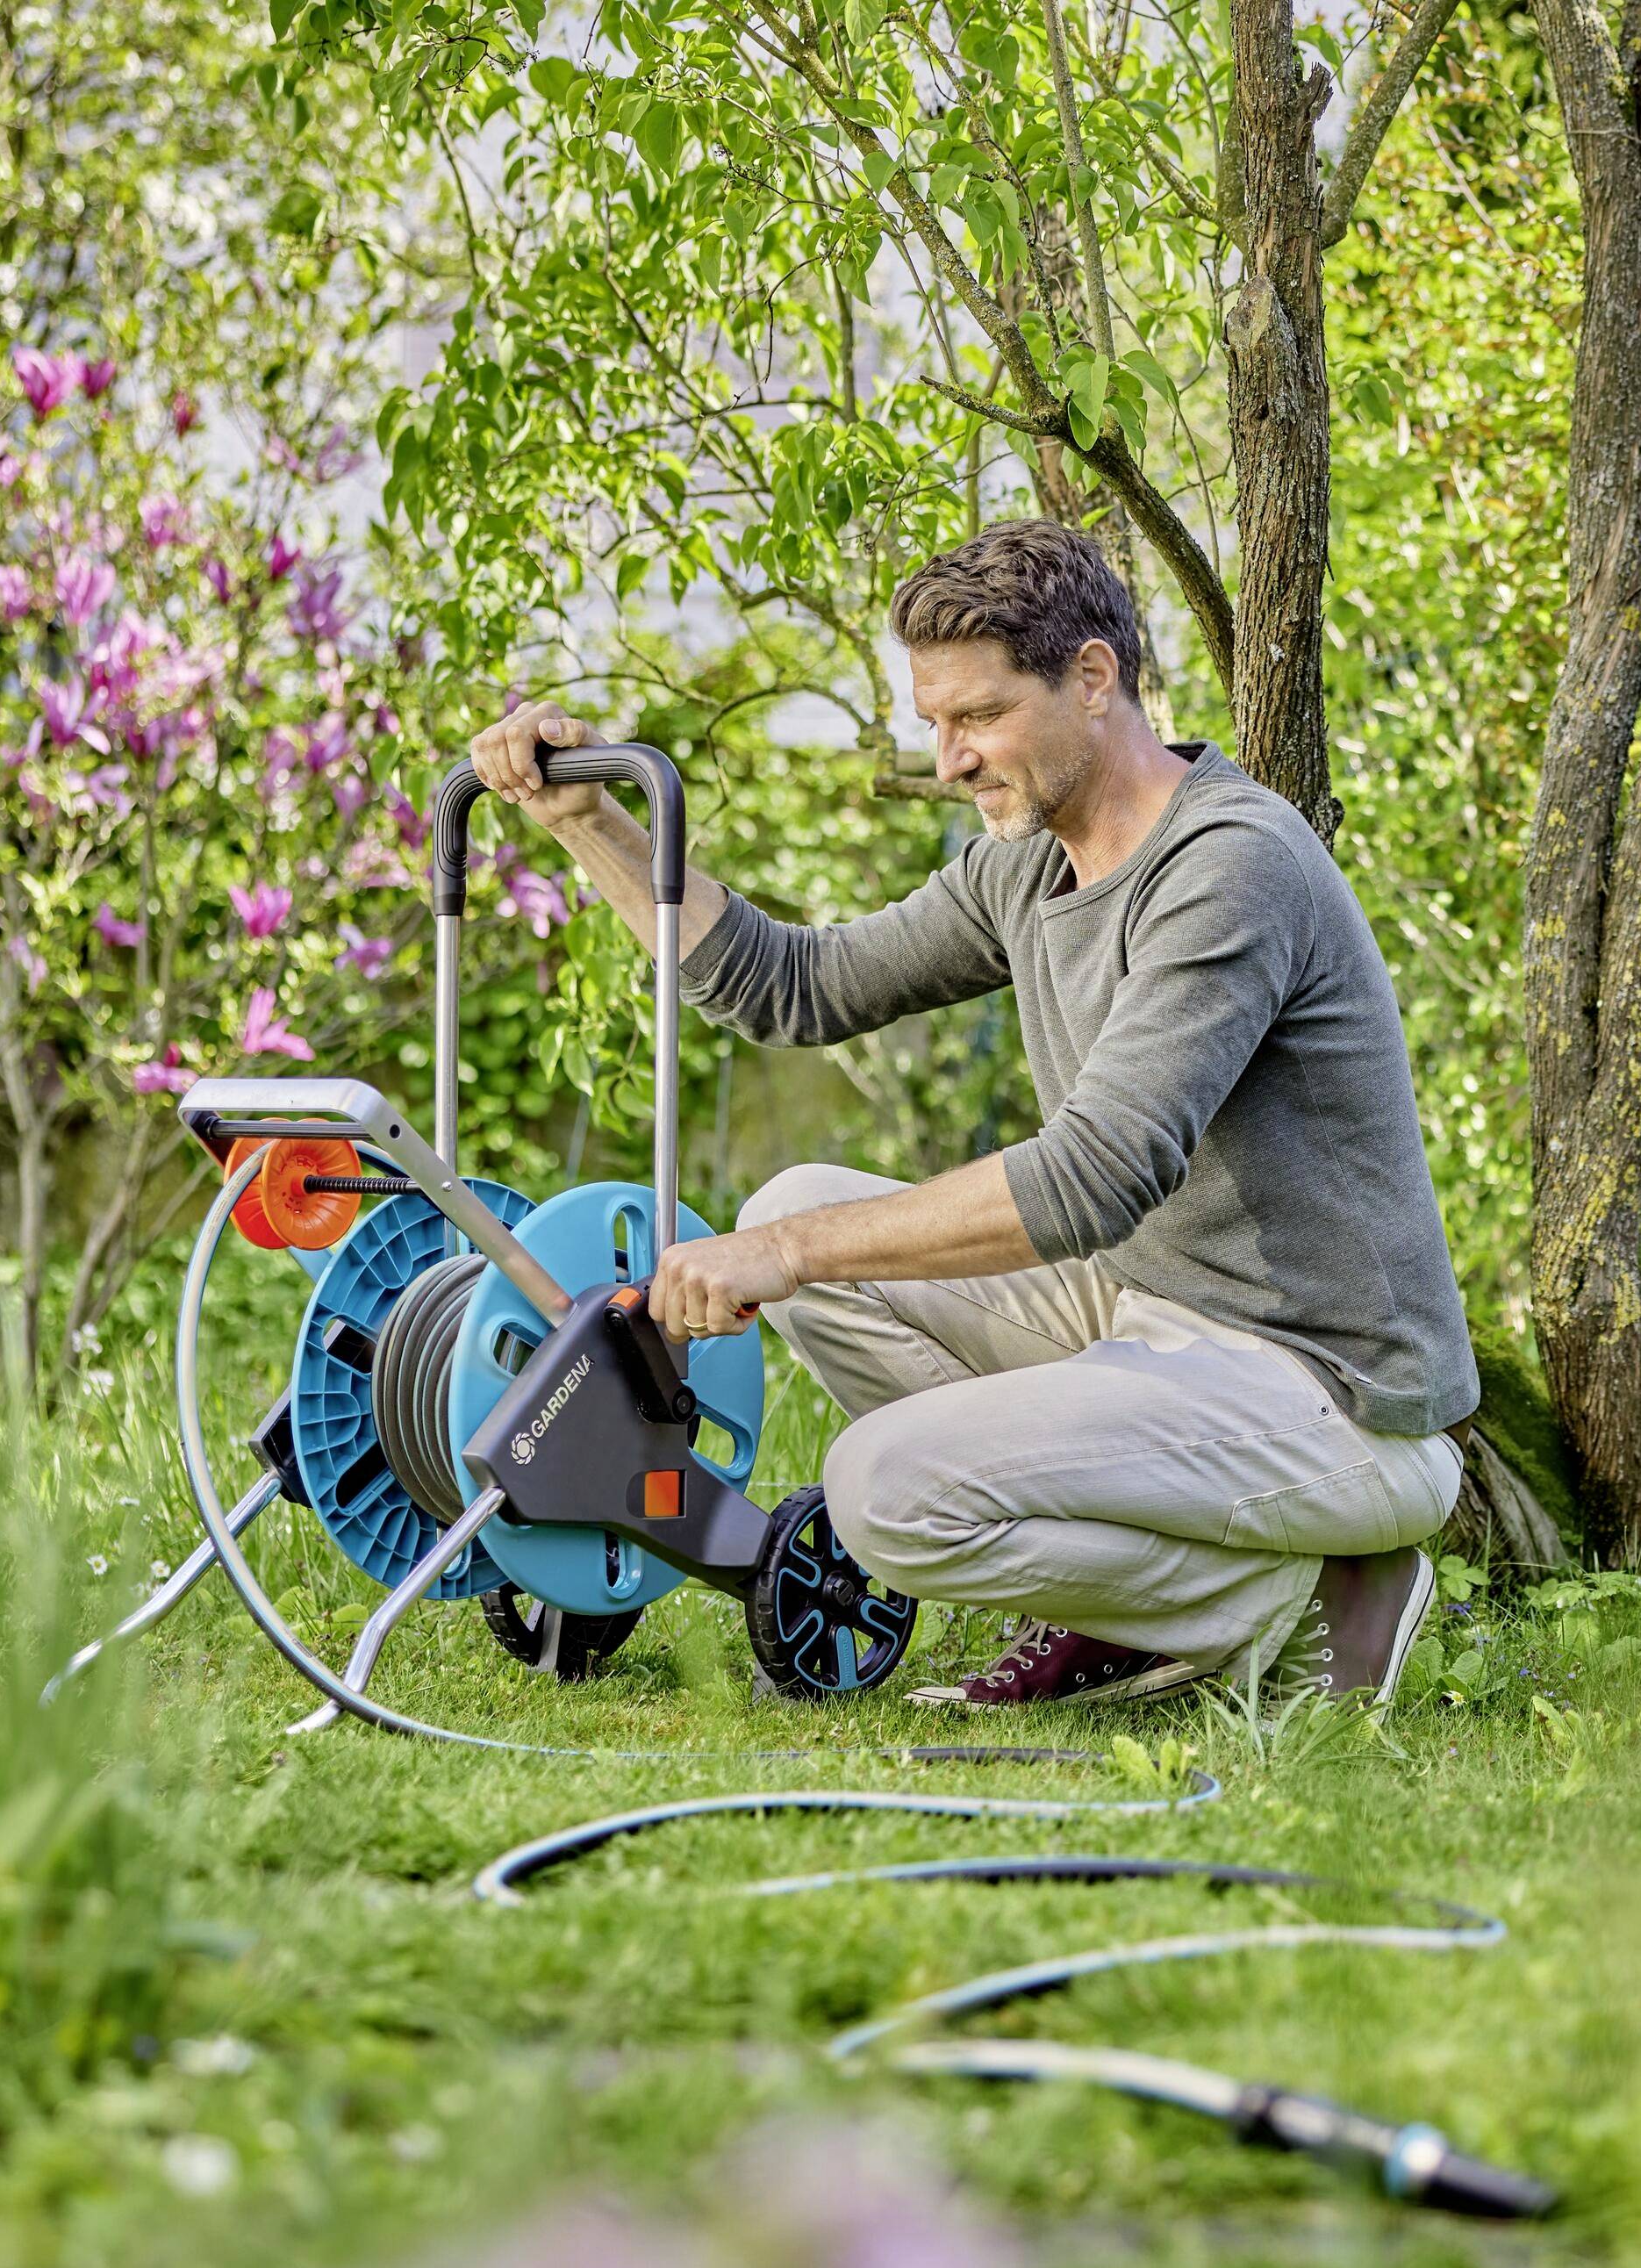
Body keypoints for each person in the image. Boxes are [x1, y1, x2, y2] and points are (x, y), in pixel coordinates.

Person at [468, 518, 1480, 1708]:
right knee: (794, 1200)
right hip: (1154, 1314)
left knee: (881, 1491)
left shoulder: (1229, 866)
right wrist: (590, 822)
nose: (949, 759)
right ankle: (1139, 1600)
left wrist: (786, 1255)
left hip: (1331, 1398)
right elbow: (792, 986)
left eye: (979, 716)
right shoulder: (1031, 863)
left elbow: (1094, 1176)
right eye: (934, 721)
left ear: (1093, 678)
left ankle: (1312, 1604)